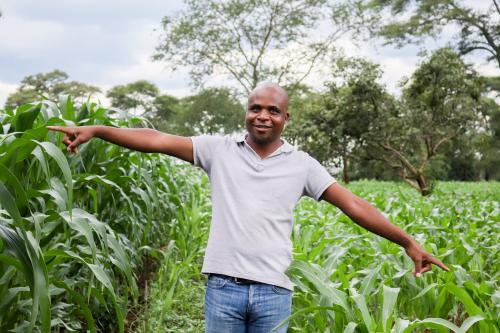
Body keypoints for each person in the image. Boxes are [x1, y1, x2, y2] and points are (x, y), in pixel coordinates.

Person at [48, 82, 449, 333]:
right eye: (255, 108)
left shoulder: (302, 165)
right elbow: (156, 139)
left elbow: (354, 205)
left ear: (285, 118)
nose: (262, 115)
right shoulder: (217, 150)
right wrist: (98, 130)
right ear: (246, 112)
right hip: (223, 287)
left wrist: (407, 241)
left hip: (276, 291)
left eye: (272, 110)